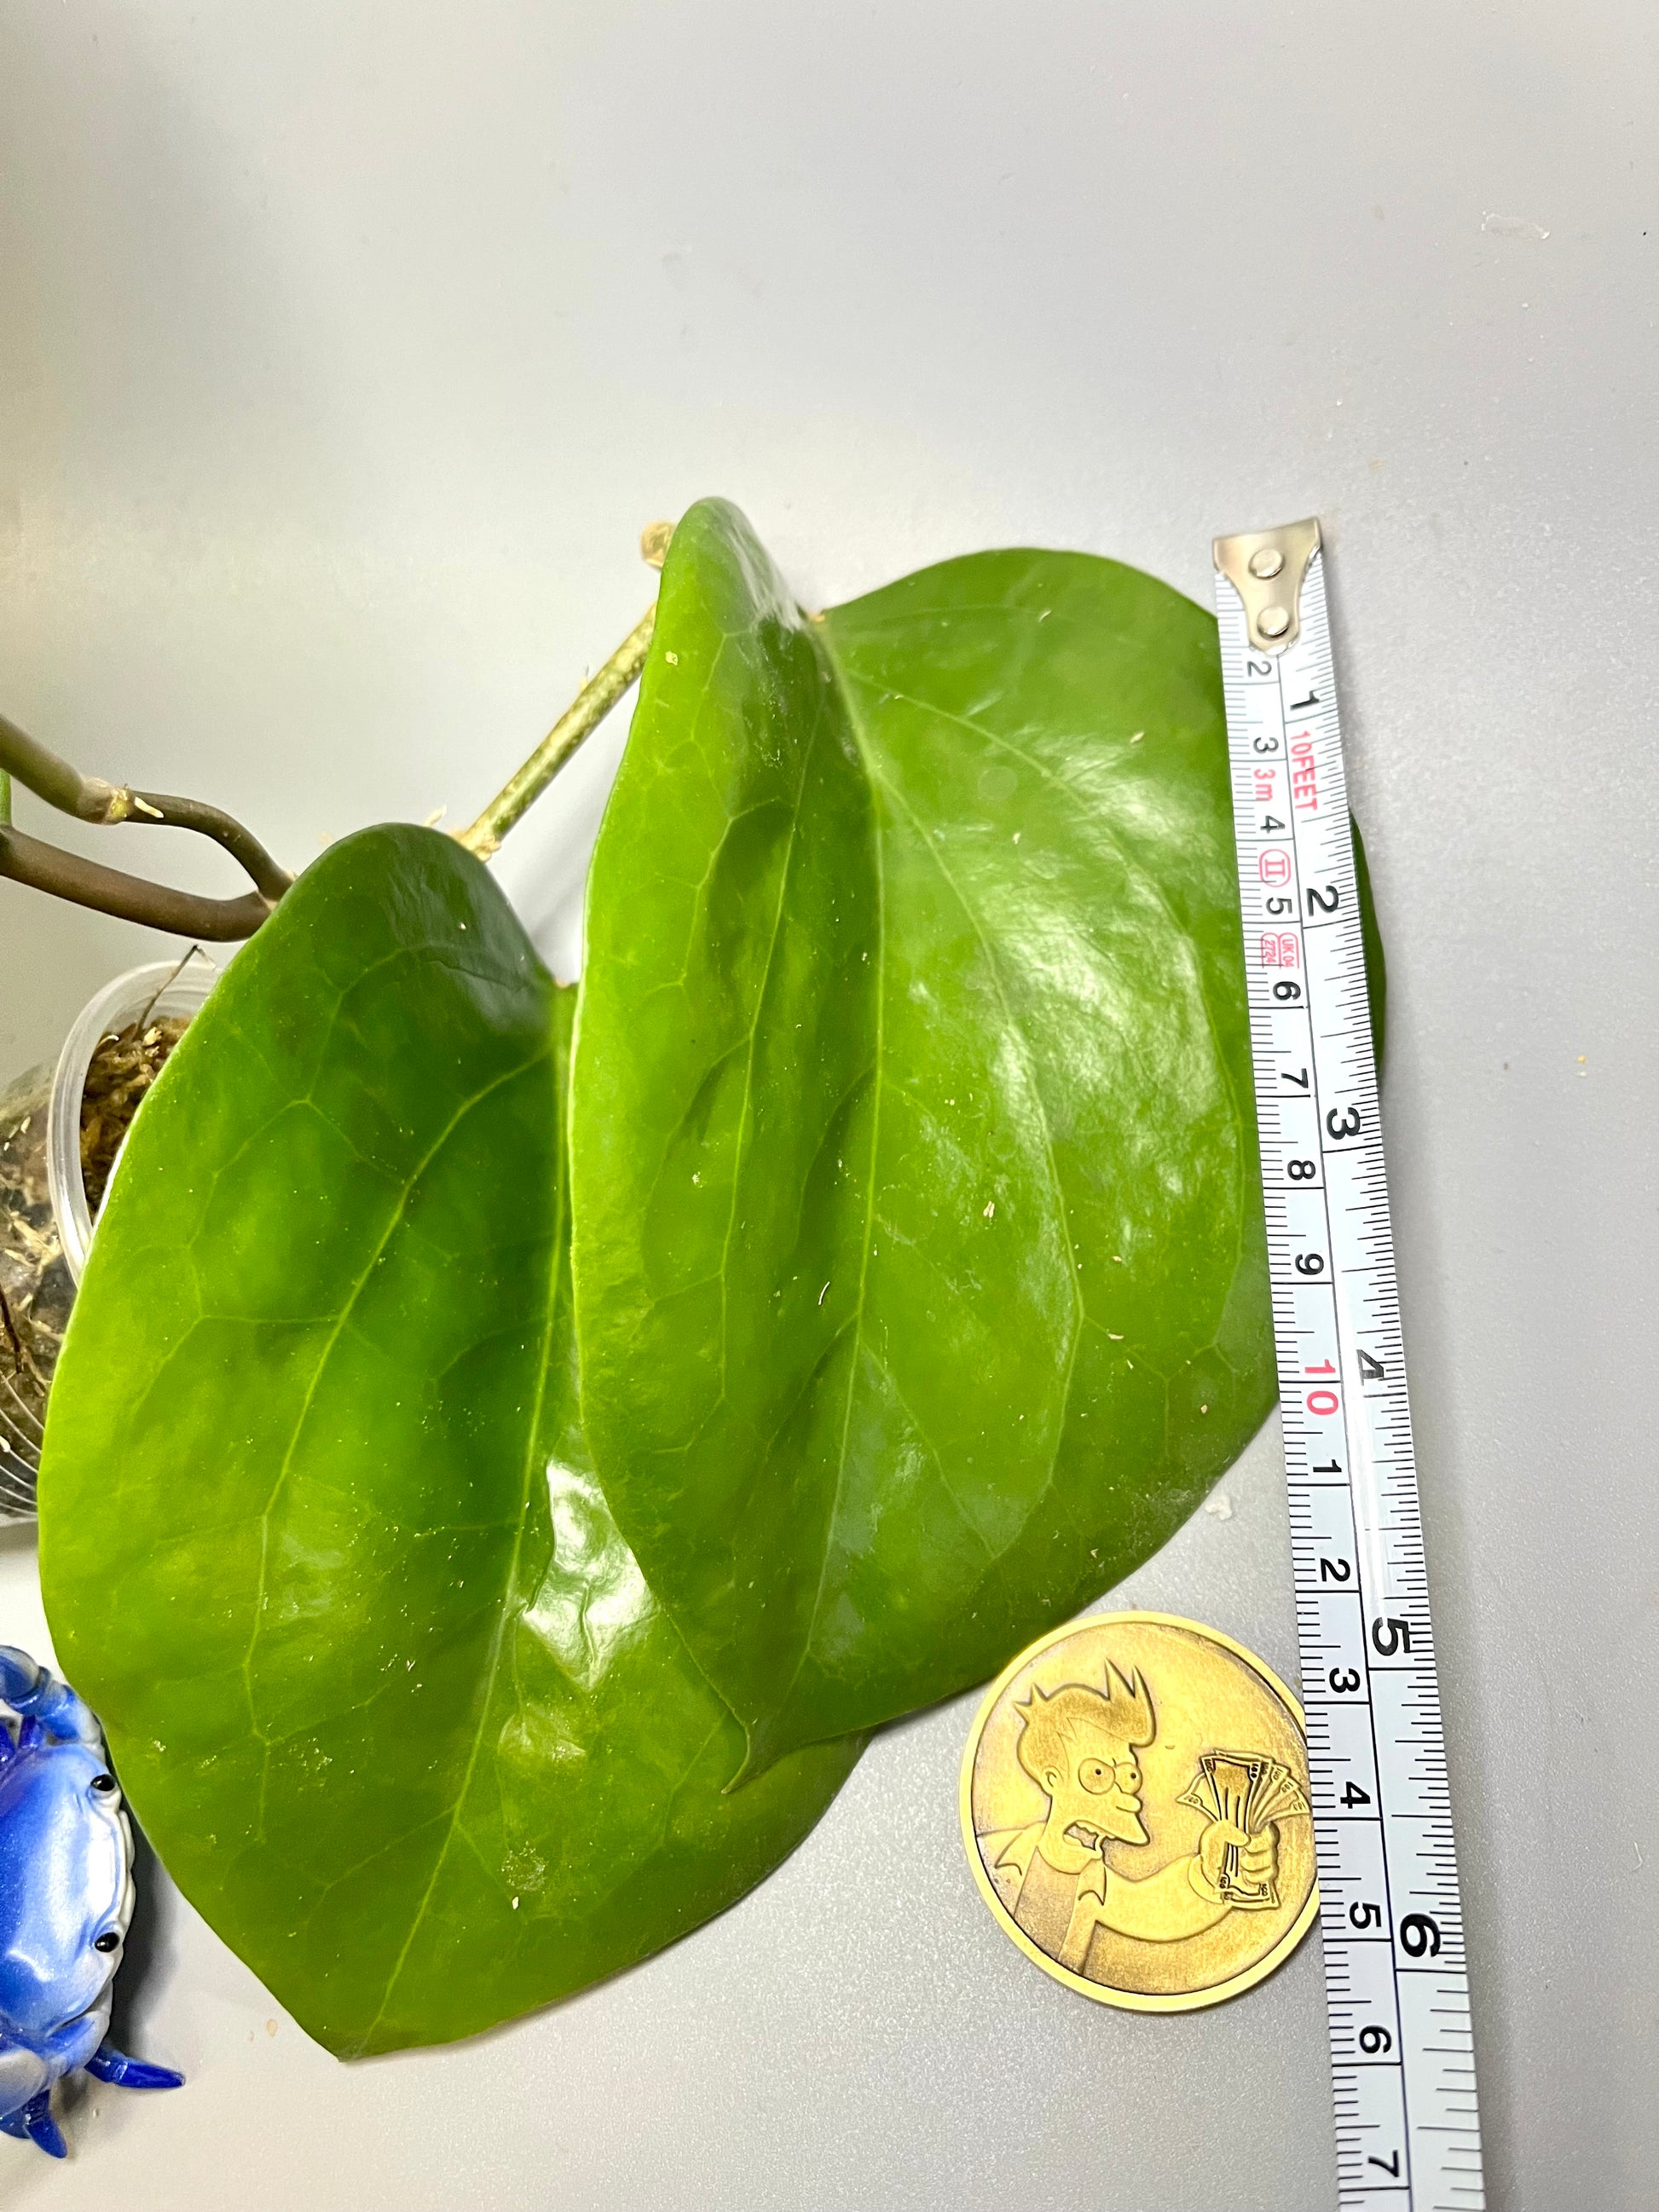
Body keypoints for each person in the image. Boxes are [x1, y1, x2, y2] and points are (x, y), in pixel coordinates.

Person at [979, 1664, 1277, 1976]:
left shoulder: (1092, 1879)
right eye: (1097, 1774)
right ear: (1052, 1780)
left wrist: (1209, 1873)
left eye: (1129, 1776)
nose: (1124, 1794)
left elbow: (1153, 1909)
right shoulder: (998, 1854)